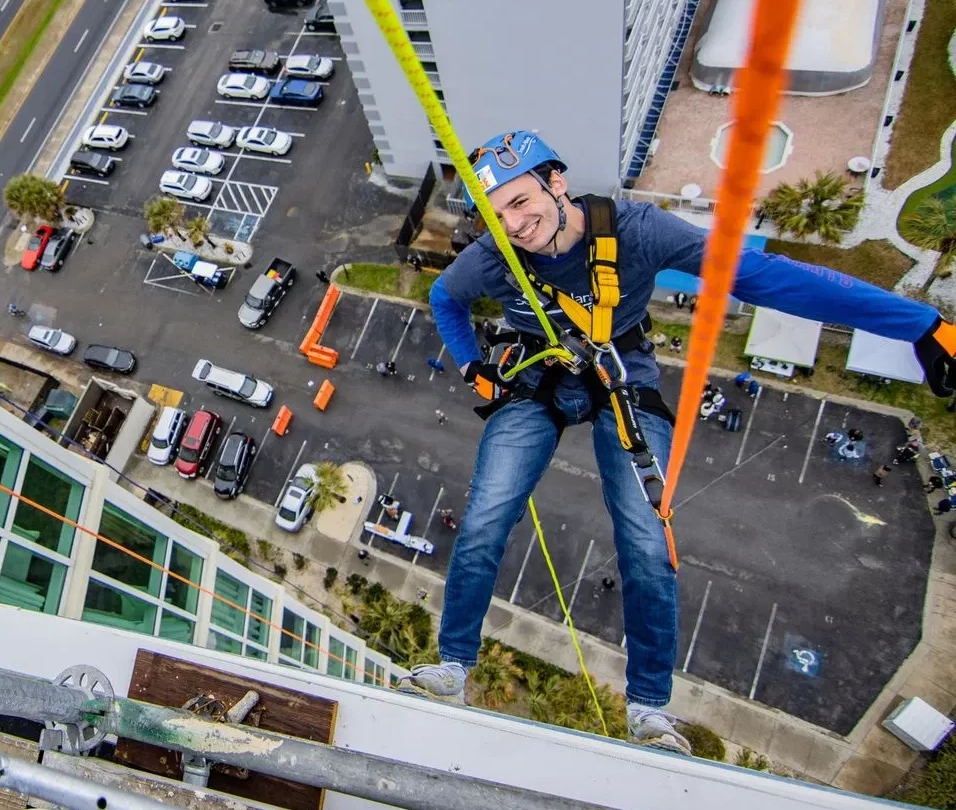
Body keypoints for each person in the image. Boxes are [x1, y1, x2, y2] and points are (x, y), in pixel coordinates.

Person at [402, 129, 956, 756]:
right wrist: (474, 365)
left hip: (622, 372)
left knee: (646, 538)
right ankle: (453, 667)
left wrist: (921, 323)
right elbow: (445, 296)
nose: (515, 225)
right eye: (497, 216)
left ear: (558, 182)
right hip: (538, 375)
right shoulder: (493, 258)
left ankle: (649, 712)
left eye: (522, 202)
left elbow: (760, 276)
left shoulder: (636, 231)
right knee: (483, 519)